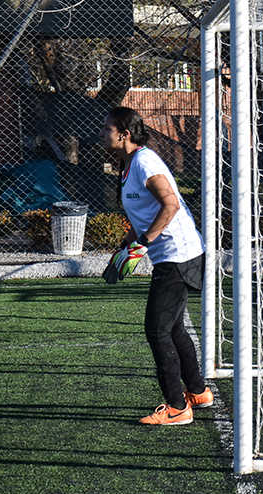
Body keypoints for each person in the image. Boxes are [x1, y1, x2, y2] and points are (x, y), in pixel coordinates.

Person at [99, 106, 214, 425]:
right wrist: (126, 242)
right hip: (174, 256)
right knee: (172, 327)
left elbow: (171, 204)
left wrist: (144, 242)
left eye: (106, 128)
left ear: (123, 135)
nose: (101, 132)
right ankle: (199, 392)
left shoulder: (144, 161)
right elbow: (145, 211)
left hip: (179, 255)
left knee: (157, 330)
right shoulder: (128, 164)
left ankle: (177, 408)